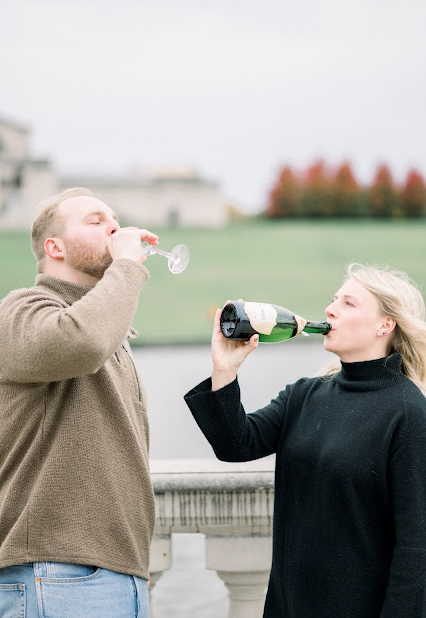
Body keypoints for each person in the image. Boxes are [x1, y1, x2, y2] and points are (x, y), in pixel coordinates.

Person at [184, 263, 426, 618]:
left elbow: (416, 547)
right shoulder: (306, 394)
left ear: (385, 325)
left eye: (349, 304)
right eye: (334, 300)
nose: (330, 309)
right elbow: (236, 445)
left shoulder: (408, 413)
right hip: (288, 605)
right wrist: (225, 369)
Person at [0, 187, 159, 618]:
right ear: (55, 247)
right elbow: (81, 341)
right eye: (95, 220)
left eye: (114, 216)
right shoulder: (22, 309)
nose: (114, 226)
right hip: (54, 573)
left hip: (112, 575)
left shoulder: (108, 328)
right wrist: (126, 265)